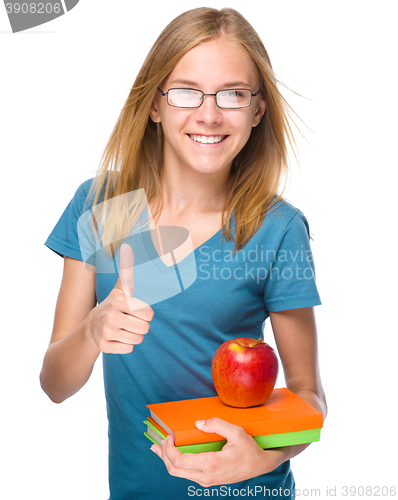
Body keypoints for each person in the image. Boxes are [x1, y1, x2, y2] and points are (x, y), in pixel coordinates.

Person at [40, 7, 327, 500]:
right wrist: (92, 329)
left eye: (234, 94)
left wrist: (266, 456)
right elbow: (54, 384)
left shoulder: (277, 228)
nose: (209, 114)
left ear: (258, 110)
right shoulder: (103, 206)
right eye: (185, 91)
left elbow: (309, 395)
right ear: (155, 104)